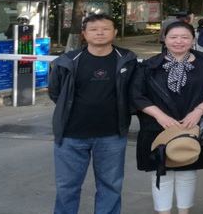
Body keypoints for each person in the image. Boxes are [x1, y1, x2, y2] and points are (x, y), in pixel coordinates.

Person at [48, 13, 138, 214]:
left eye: (105, 29)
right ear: (84, 34)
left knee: (111, 186)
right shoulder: (68, 60)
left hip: (112, 135)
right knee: (67, 187)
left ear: (115, 32)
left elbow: (135, 92)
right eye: (94, 29)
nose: (100, 33)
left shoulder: (127, 60)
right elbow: (56, 92)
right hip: (70, 135)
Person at [130, 21, 203, 214]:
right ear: (164, 39)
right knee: (161, 170)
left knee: (187, 169)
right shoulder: (149, 66)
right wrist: (160, 116)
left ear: (193, 39)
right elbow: (137, 95)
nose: (179, 41)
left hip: (192, 125)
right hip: (158, 126)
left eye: (185, 37)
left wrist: (199, 111)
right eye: (173, 37)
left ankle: (184, 211)